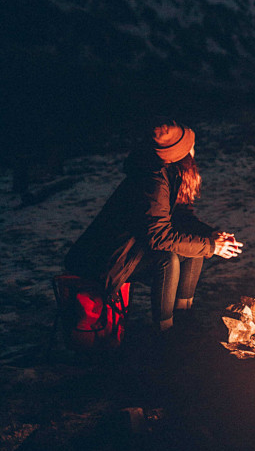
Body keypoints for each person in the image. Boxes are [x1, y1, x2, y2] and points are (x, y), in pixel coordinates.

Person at [64, 120, 242, 332]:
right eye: (190, 146)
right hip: (107, 258)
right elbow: (160, 237)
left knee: (195, 250)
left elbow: (181, 216)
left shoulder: (169, 173)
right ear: (179, 153)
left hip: (132, 250)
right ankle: (164, 331)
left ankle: (184, 319)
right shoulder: (153, 180)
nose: (194, 149)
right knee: (167, 259)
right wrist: (212, 247)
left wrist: (210, 235)